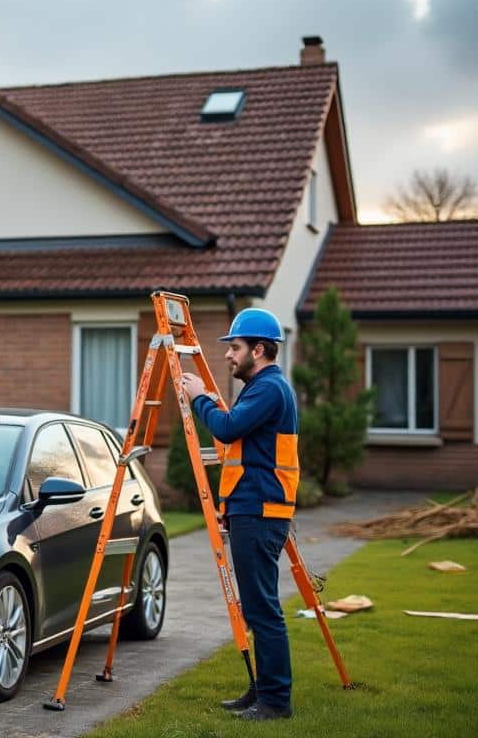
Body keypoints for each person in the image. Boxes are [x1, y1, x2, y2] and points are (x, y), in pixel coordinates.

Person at [180, 307, 298, 721]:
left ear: (259, 350)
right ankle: (262, 691)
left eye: (235, 347)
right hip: (253, 510)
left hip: (261, 511)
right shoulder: (262, 387)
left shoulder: (268, 389)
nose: (229, 355)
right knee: (257, 607)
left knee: (262, 609)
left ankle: (275, 702)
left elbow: (228, 431)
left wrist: (199, 398)